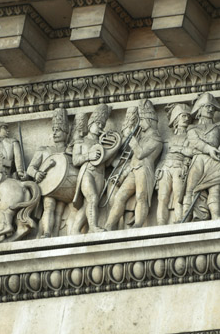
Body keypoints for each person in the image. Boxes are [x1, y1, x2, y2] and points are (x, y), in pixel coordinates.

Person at [104, 100, 163, 230]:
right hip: (133, 169)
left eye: (142, 120)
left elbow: (141, 153)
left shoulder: (156, 138)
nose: (140, 124)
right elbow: (128, 151)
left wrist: (134, 143)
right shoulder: (141, 137)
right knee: (120, 196)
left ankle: (138, 224)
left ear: (148, 120)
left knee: (141, 196)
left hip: (144, 170)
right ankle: (108, 225)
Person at [181, 93, 220, 220]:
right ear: (199, 109)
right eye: (207, 106)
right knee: (190, 188)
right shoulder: (192, 128)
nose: (210, 109)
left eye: (212, 107)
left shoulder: (218, 126)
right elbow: (194, 141)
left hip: (214, 161)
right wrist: (209, 149)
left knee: (215, 188)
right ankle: (186, 216)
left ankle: (216, 215)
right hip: (198, 160)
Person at [70, 105, 116, 234]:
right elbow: (75, 160)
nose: (100, 127)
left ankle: (75, 230)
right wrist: (88, 156)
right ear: (90, 124)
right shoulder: (81, 141)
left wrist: (114, 148)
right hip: (87, 172)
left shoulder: (103, 143)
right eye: (98, 123)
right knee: (93, 198)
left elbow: (107, 164)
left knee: (88, 204)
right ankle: (93, 227)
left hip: (100, 174)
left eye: (102, 124)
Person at [26, 108, 72, 238]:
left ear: (66, 133)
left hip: (64, 188)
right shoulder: (44, 150)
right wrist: (36, 174)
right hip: (48, 186)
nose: (55, 133)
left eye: (59, 130)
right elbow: (31, 168)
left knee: (59, 212)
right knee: (49, 207)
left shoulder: (70, 151)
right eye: (54, 130)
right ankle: (47, 233)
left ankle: (55, 235)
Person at [156, 103, 192, 225]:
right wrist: (158, 169)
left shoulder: (191, 137)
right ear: (176, 119)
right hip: (166, 168)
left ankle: (179, 219)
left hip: (179, 167)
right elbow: (163, 157)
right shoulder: (169, 139)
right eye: (183, 116)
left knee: (179, 197)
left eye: (188, 116)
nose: (186, 118)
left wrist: (180, 151)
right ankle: (161, 222)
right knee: (162, 197)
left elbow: (192, 152)